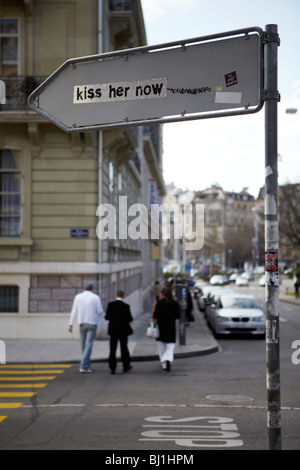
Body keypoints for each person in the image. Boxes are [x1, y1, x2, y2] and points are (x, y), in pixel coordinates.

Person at [68, 284, 104, 373]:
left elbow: (74, 311)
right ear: (92, 289)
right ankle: (83, 366)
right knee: (89, 345)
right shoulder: (95, 297)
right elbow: (100, 311)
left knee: (83, 345)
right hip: (92, 323)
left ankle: (86, 365)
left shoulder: (78, 297)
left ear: (84, 289)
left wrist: (70, 324)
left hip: (82, 322)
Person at [105, 290, 133, 375]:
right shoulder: (126, 306)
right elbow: (130, 319)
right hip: (123, 331)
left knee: (112, 350)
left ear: (116, 295)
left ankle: (112, 368)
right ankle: (125, 366)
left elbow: (107, 317)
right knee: (124, 348)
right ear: (123, 296)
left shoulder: (110, 305)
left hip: (113, 331)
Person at [152, 287, 180, 372]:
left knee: (161, 347)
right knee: (170, 346)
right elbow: (178, 316)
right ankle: (168, 359)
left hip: (161, 327)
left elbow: (155, 315)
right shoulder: (175, 303)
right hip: (171, 327)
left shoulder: (159, 303)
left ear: (163, 294)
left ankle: (164, 364)